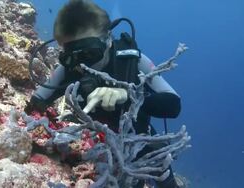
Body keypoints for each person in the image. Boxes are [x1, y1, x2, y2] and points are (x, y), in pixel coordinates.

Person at [25, 0, 182, 187]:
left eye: (90, 52)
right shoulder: (68, 69)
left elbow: (173, 104)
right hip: (89, 147)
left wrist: (129, 95)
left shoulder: (132, 61)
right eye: (72, 56)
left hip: (138, 144)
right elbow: (35, 105)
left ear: (108, 40)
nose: (83, 64)